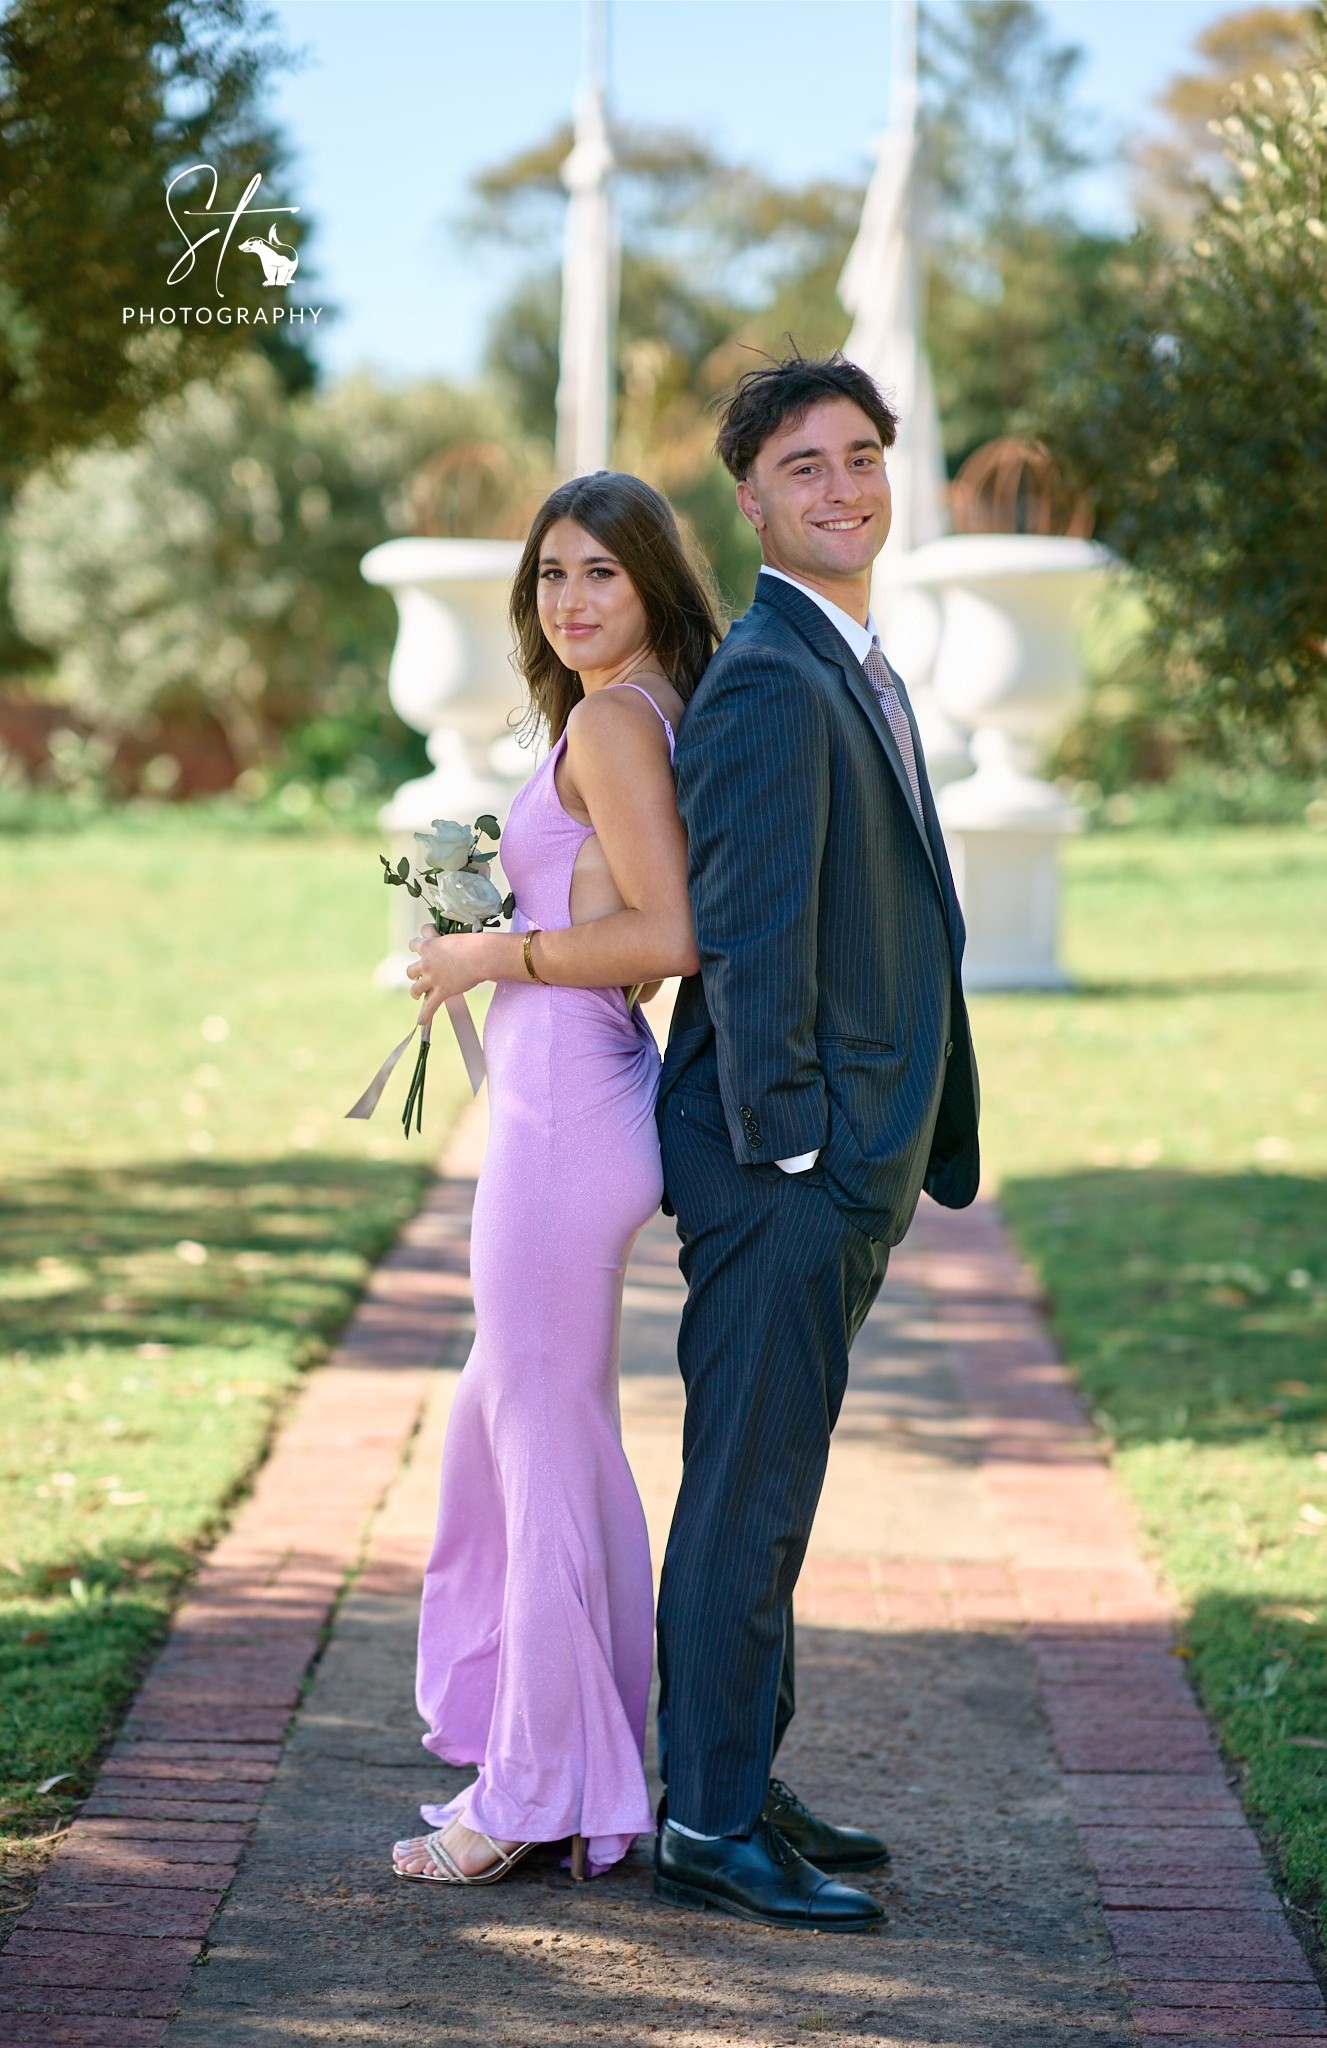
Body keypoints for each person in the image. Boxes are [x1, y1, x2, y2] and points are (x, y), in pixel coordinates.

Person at [653, 353, 981, 1931]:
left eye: (861, 457)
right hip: (786, 1169)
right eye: (805, 466)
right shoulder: (774, 679)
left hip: (841, 1163)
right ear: (751, 500)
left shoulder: (844, 656)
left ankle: (740, 1773)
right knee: (747, 1494)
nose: (843, 487)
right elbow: (749, 936)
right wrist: (796, 1152)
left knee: (770, 1485)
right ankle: (707, 1824)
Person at [391, 472, 720, 1886]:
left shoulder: (613, 722)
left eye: (601, 572)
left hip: (565, 1119)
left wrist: (491, 952)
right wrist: (485, 928)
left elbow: (668, 934)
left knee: (542, 1443)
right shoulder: (635, 710)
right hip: (565, 1101)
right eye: (550, 575)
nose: (571, 599)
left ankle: (533, 1792)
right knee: (523, 1428)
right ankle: (570, 1770)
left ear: (651, 582)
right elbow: (616, 913)